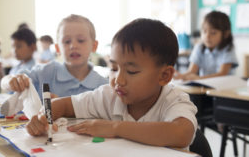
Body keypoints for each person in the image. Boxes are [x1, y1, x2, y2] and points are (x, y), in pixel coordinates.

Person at [26, 18, 198, 149]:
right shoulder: (109, 95)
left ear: (165, 76)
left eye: (131, 71)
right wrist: (43, 118)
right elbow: (62, 105)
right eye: (114, 68)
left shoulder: (174, 100)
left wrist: (115, 128)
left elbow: (181, 133)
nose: (118, 80)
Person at [0, 14, 108, 98]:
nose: (73, 46)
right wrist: (11, 81)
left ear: (94, 46)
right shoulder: (46, 73)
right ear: (57, 49)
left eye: (80, 40)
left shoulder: (104, 86)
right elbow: (5, 81)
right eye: (66, 41)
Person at [174, 11, 238, 80]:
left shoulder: (228, 49)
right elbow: (191, 71)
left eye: (213, 33)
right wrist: (180, 76)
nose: (207, 36)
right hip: (205, 87)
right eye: (204, 31)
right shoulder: (199, 48)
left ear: (225, 34)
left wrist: (199, 78)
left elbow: (222, 74)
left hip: (225, 88)